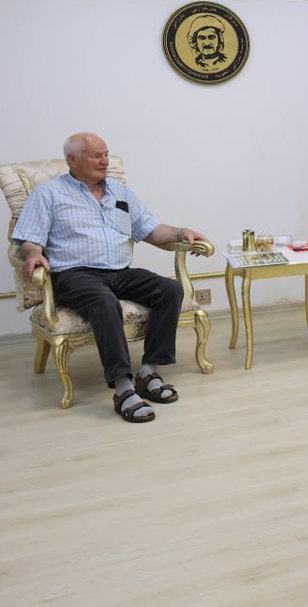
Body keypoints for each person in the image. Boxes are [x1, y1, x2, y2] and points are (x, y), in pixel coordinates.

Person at [12, 132, 207, 423]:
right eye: (96, 156)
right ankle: (123, 388)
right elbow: (29, 240)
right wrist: (32, 254)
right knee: (105, 302)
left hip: (119, 272)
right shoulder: (48, 194)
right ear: (73, 160)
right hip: (74, 275)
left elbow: (152, 231)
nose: (105, 161)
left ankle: (149, 371)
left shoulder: (120, 192)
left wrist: (181, 233)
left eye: (106, 154)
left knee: (169, 290)